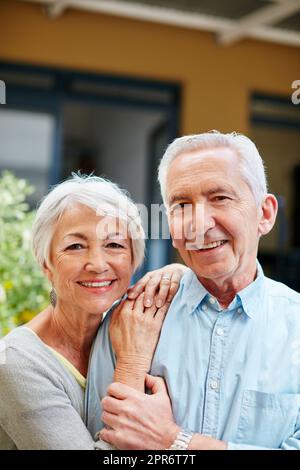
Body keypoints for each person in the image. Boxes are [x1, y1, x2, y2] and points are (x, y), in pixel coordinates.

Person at [86, 131, 300, 450]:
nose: (198, 224)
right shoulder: (130, 319)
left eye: (220, 198)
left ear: (265, 214)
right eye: (181, 204)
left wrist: (174, 441)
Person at [0, 174, 187, 450]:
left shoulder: (131, 324)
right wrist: (131, 364)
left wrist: (180, 276)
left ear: (134, 260)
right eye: (75, 246)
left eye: (114, 245)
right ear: (46, 264)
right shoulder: (15, 363)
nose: (98, 264)